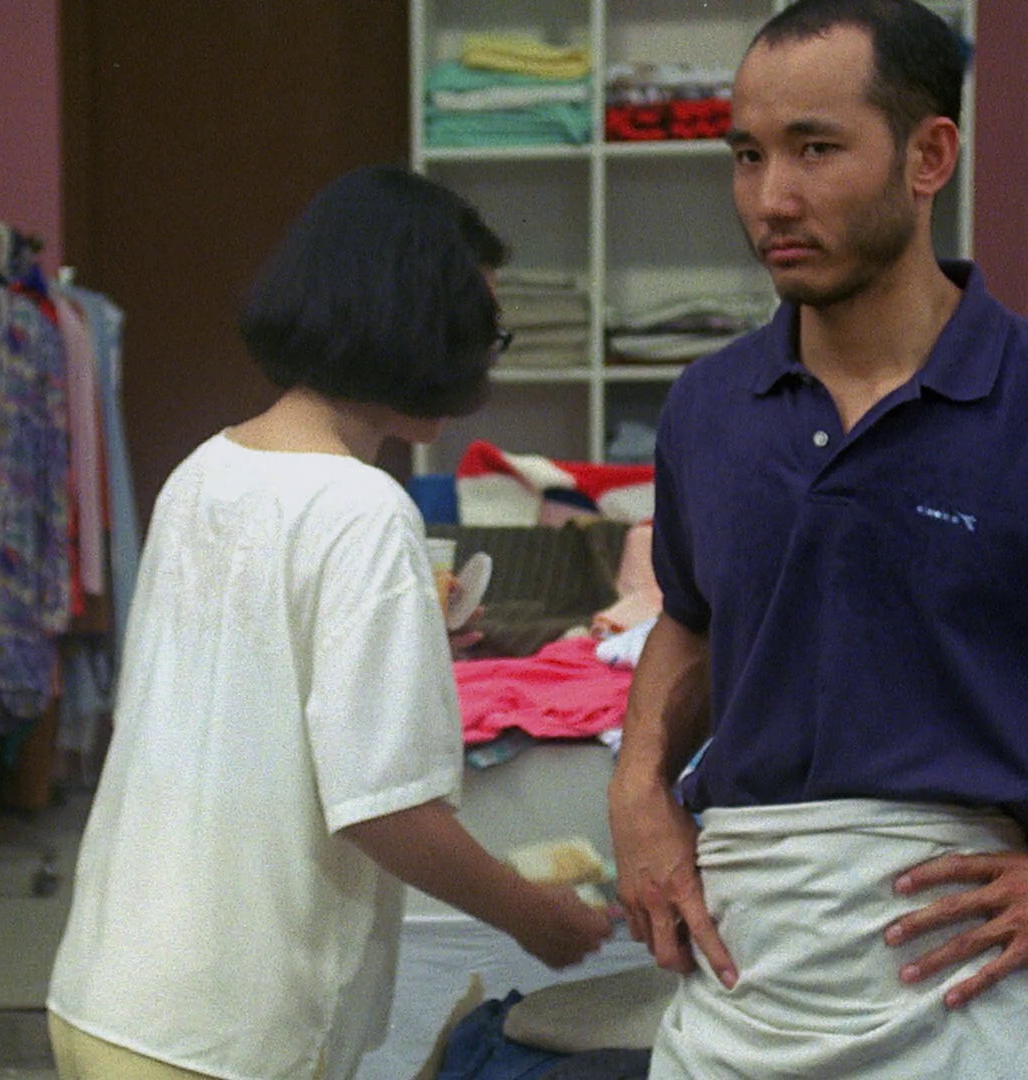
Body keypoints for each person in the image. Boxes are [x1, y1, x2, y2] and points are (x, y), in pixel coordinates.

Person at [605, 1, 1028, 1077]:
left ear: (930, 157)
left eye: (815, 149)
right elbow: (690, 622)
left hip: (962, 991)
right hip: (737, 990)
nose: (771, 198)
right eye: (748, 155)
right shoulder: (708, 407)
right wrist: (639, 791)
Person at [46, 164, 612, 1080]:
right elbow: (384, 809)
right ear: (419, 323)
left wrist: (406, 648)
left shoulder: (205, 469)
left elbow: (241, 679)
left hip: (111, 995)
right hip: (229, 1033)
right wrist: (529, 916)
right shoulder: (363, 509)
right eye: (482, 329)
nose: (486, 357)